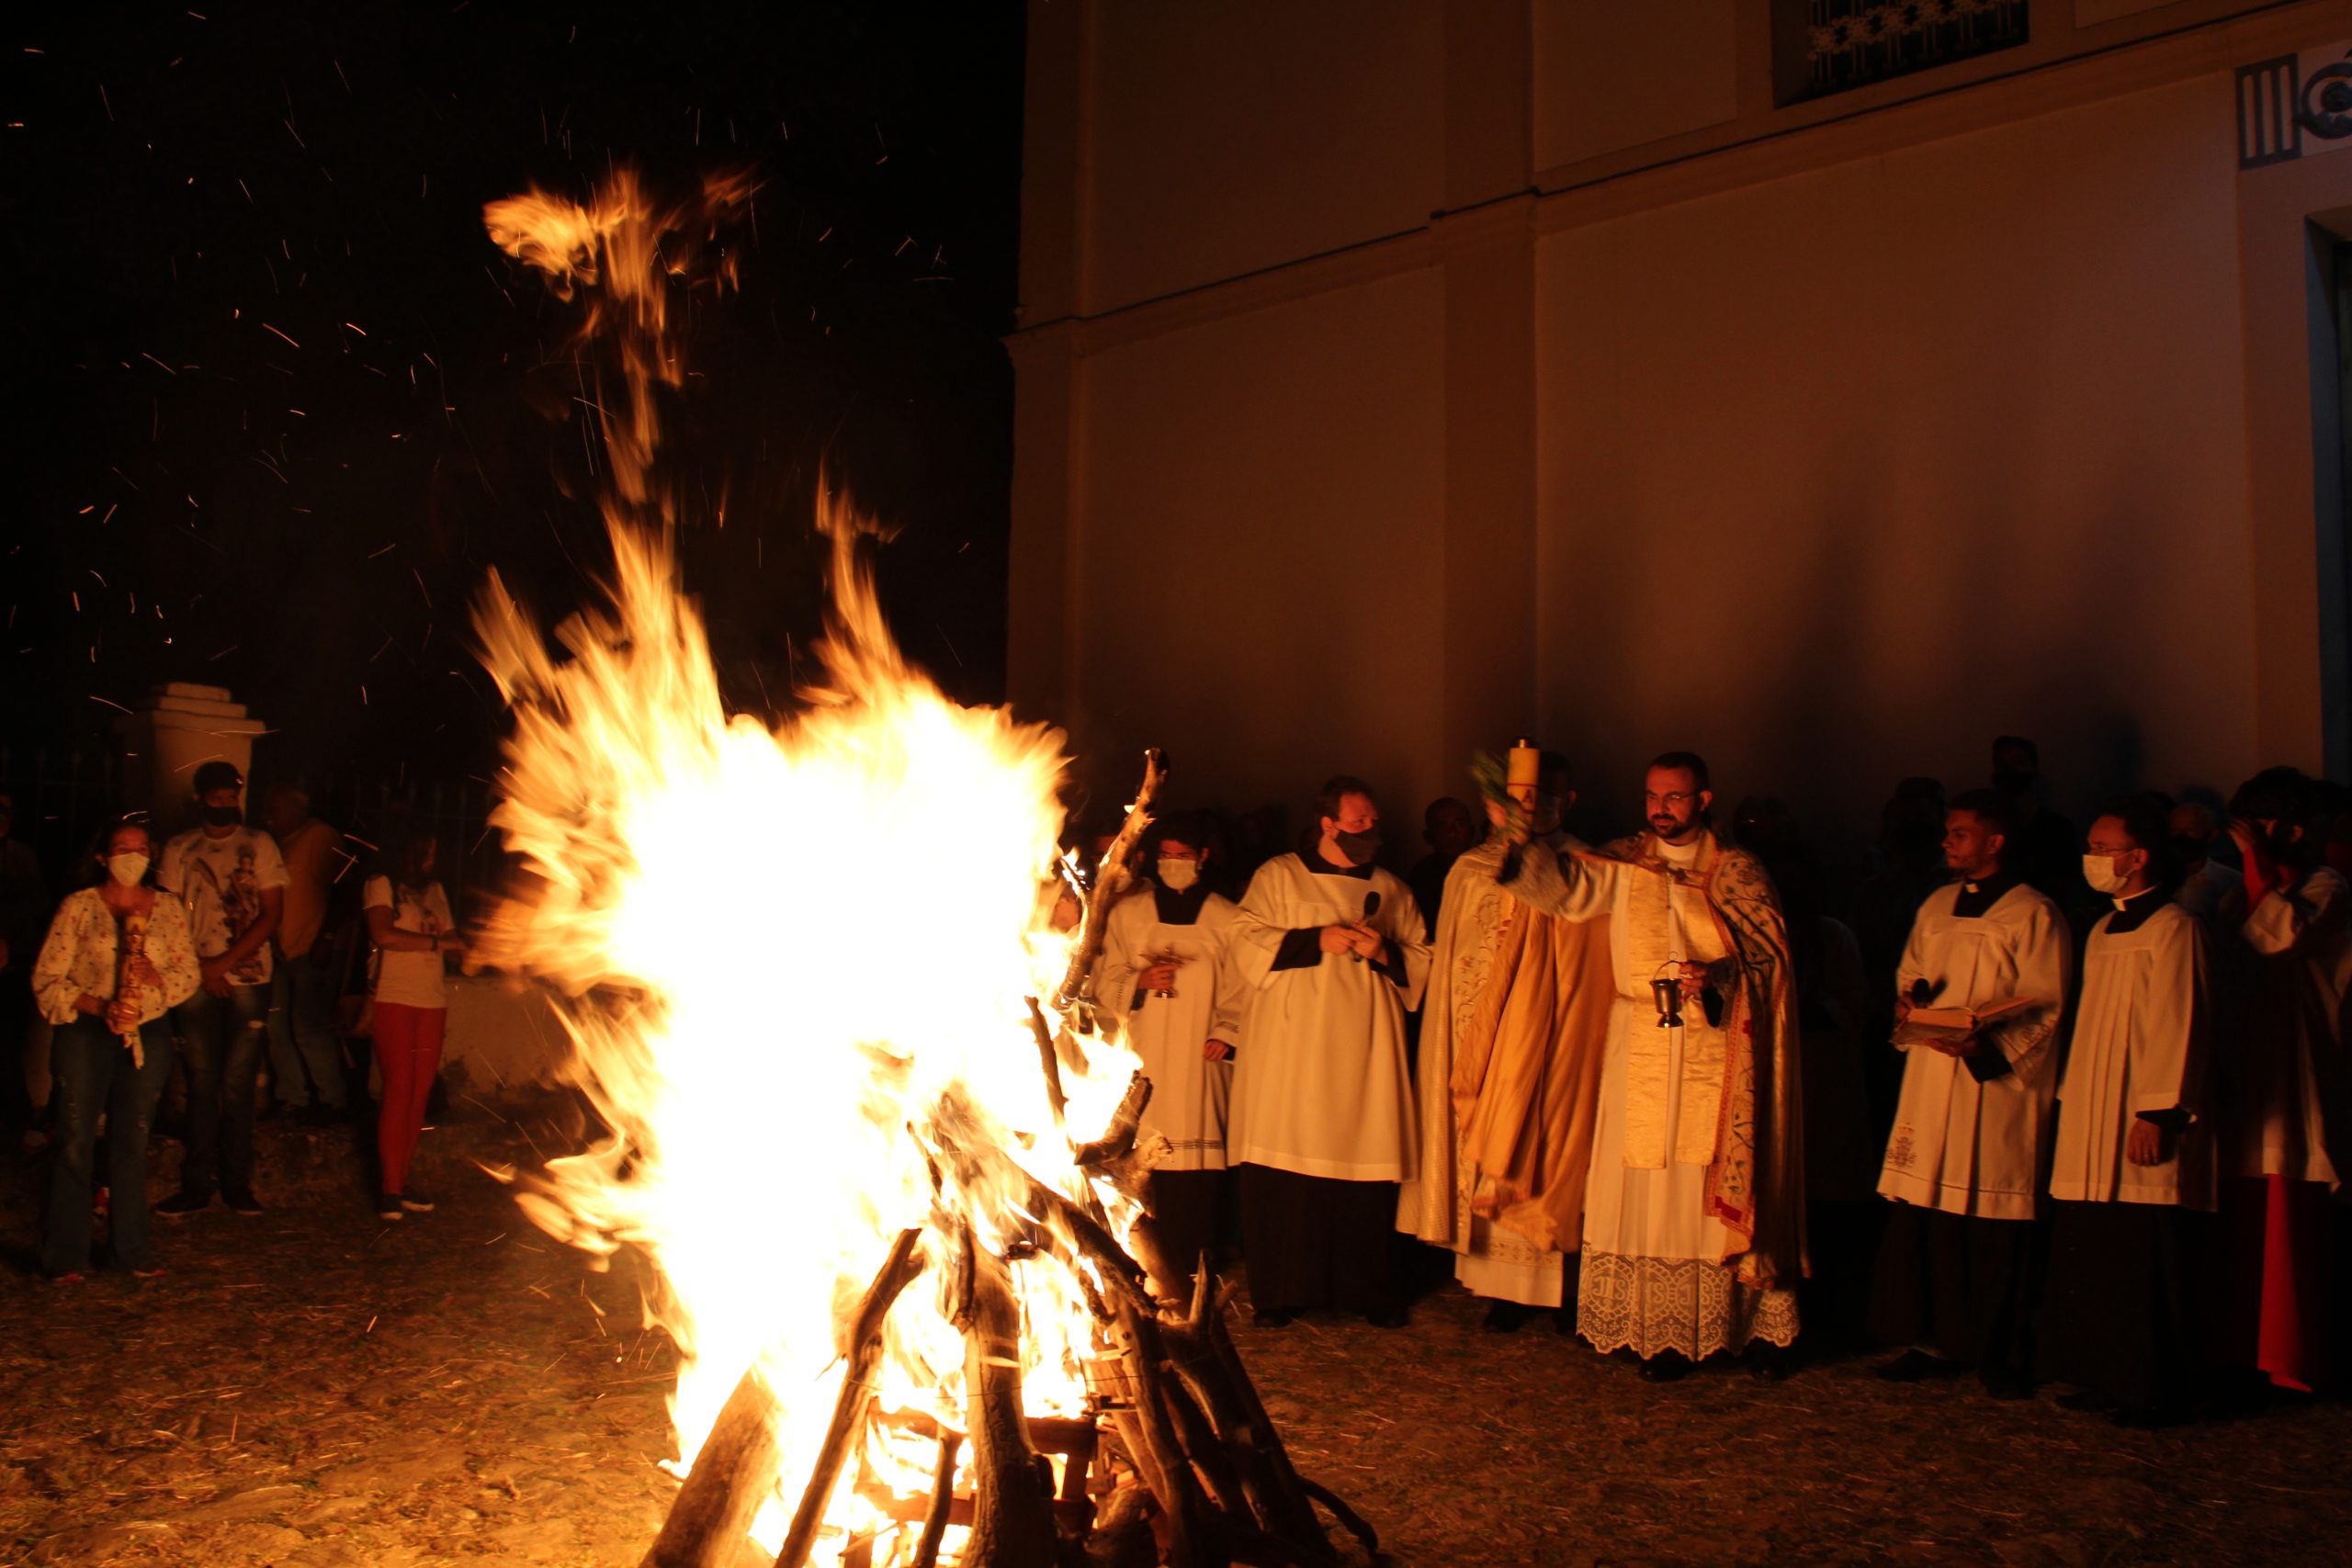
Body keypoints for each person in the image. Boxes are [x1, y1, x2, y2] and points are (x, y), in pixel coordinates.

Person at [1487, 751, 1804, 1379]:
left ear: (1704, 800)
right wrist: (1518, 837)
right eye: (1653, 796)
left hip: (1715, 1047)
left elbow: (1770, 959)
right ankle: (1647, 1325)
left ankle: (1719, 1325)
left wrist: (1718, 975)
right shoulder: (1626, 859)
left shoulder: (1737, 870)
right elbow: (1562, 893)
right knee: (1637, 1179)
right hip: (1637, 1038)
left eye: (1675, 797)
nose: (1660, 808)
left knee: (1696, 1186)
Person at [1400, 750, 1611, 1334]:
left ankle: (1557, 1283)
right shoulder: (1470, 867)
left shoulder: (1587, 864)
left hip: (1551, 1037)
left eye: (1543, 799)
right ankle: (1501, 1291)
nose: (1530, 809)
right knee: (1487, 1152)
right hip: (1479, 1038)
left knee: (1545, 1148)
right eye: (1519, 800)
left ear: (1565, 802)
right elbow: (1453, 963)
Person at [1869, 789, 2069, 1398]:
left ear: (1995, 841)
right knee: (1929, 1213)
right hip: (1934, 1076)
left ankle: (1998, 1348)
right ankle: (1933, 1338)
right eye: (1948, 833)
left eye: (1959, 833)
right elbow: (1912, 971)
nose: (1947, 842)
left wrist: (1983, 1046)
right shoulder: (1936, 904)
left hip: (1992, 1086)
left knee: (1988, 1218)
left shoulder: (2033, 914)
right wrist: (1913, 1005)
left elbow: (2046, 1002)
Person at [1227, 775, 1430, 1326]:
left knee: (1363, 1163)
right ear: (1328, 824)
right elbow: (1243, 936)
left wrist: (1382, 949)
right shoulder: (1279, 876)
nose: (1370, 831)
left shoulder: (1391, 888)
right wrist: (1314, 939)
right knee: (1287, 1166)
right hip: (1292, 1050)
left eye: (1373, 821)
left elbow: (1423, 958)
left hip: (1366, 1045)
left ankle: (1368, 1291)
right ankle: (1281, 1294)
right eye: (1359, 822)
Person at [2040, 793, 2214, 1424]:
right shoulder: (2102, 927)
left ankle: (2155, 1384)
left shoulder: (2175, 928)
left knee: (2145, 1252)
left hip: (2139, 1110)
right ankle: (2103, 1372)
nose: (2092, 858)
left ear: (2138, 857)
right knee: (2096, 1248)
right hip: (2093, 1107)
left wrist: (2159, 1109)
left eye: (2102, 848)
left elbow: (2179, 1020)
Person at [2215, 765, 2350, 1393]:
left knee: (2287, 1195)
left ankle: (2289, 1355)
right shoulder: (2237, 895)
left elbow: (2280, 936)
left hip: (2300, 1064)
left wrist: (2254, 861)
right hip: (2252, 1061)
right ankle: (2243, 1348)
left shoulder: (2327, 887)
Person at [31, 817, 199, 1280]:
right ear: (103, 856)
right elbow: (47, 977)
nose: (133, 857)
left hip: (147, 1033)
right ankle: (66, 1256)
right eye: (122, 848)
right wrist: (97, 1005)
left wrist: (155, 980)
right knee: (75, 1138)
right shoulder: (79, 907)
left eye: (141, 848)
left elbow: (189, 973)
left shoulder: (165, 909)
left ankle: (131, 1252)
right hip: (86, 1033)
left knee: (132, 1140)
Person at [1095, 814, 1245, 1277]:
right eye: (1165, 856)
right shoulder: (1129, 913)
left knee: (1197, 1158)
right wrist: (1136, 980)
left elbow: (1244, 986)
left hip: (1200, 1056)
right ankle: (1145, 1259)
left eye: (1183, 856)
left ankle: (1199, 1258)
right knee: (1142, 1153)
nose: (1173, 864)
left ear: (1202, 857)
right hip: (1144, 1049)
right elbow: (1103, 977)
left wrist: (1227, 1030)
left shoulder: (1228, 917)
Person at [157, 761, 287, 1217]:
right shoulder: (179, 848)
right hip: (193, 976)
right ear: (200, 799)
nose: (225, 804)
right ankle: (196, 1185)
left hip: (250, 977)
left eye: (231, 796)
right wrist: (200, 970)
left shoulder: (259, 844)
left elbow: (271, 914)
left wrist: (223, 964)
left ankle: (236, 1184)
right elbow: (168, 917)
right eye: (216, 798)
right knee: (200, 1080)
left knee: (237, 1083)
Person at [365, 819, 463, 1220]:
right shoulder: (380, 884)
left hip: (431, 999)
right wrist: (439, 943)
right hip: (394, 997)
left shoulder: (436, 891)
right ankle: (389, 1188)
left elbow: (454, 941)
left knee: (420, 1094)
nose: (432, 860)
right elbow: (384, 936)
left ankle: (402, 1182)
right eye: (427, 851)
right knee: (399, 1088)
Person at [261, 783, 350, 1122]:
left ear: (299, 809)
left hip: (314, 950)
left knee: (309, 1027)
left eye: (277, 808)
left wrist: (327, 937)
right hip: (283, 952)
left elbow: (343, 889)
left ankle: (333, 1100)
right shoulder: (279, 845)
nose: (270, 817)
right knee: (276, 1026)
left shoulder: (319, 837)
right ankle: (294, 1097)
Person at [0, 792, 48, 1141]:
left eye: (6, 810)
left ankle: (16, 1120)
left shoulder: (20, 856)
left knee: (8, 1043)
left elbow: (35, 905)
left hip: (13, 964)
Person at [1992, 736, 2085, 905]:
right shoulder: (1988, 827)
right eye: (2002, 763)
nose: (2009, 769)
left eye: (2017, 761)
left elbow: (2068, 885)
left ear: (2034, 769)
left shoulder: (2058, 828)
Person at [2168, 799, 2246, 939]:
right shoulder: (2156, 878)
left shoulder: (2231, 881)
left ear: (2211, 834)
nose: (2181, 837)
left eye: (2190, 831)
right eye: (2175, 830)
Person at [1408, 796, 1480, 933]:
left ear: (1472, 830)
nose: (1453, 832)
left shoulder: (1489, 872)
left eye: (1460, 823)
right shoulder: (1421, 878)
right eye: (1442, 826)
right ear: (1428, 836)